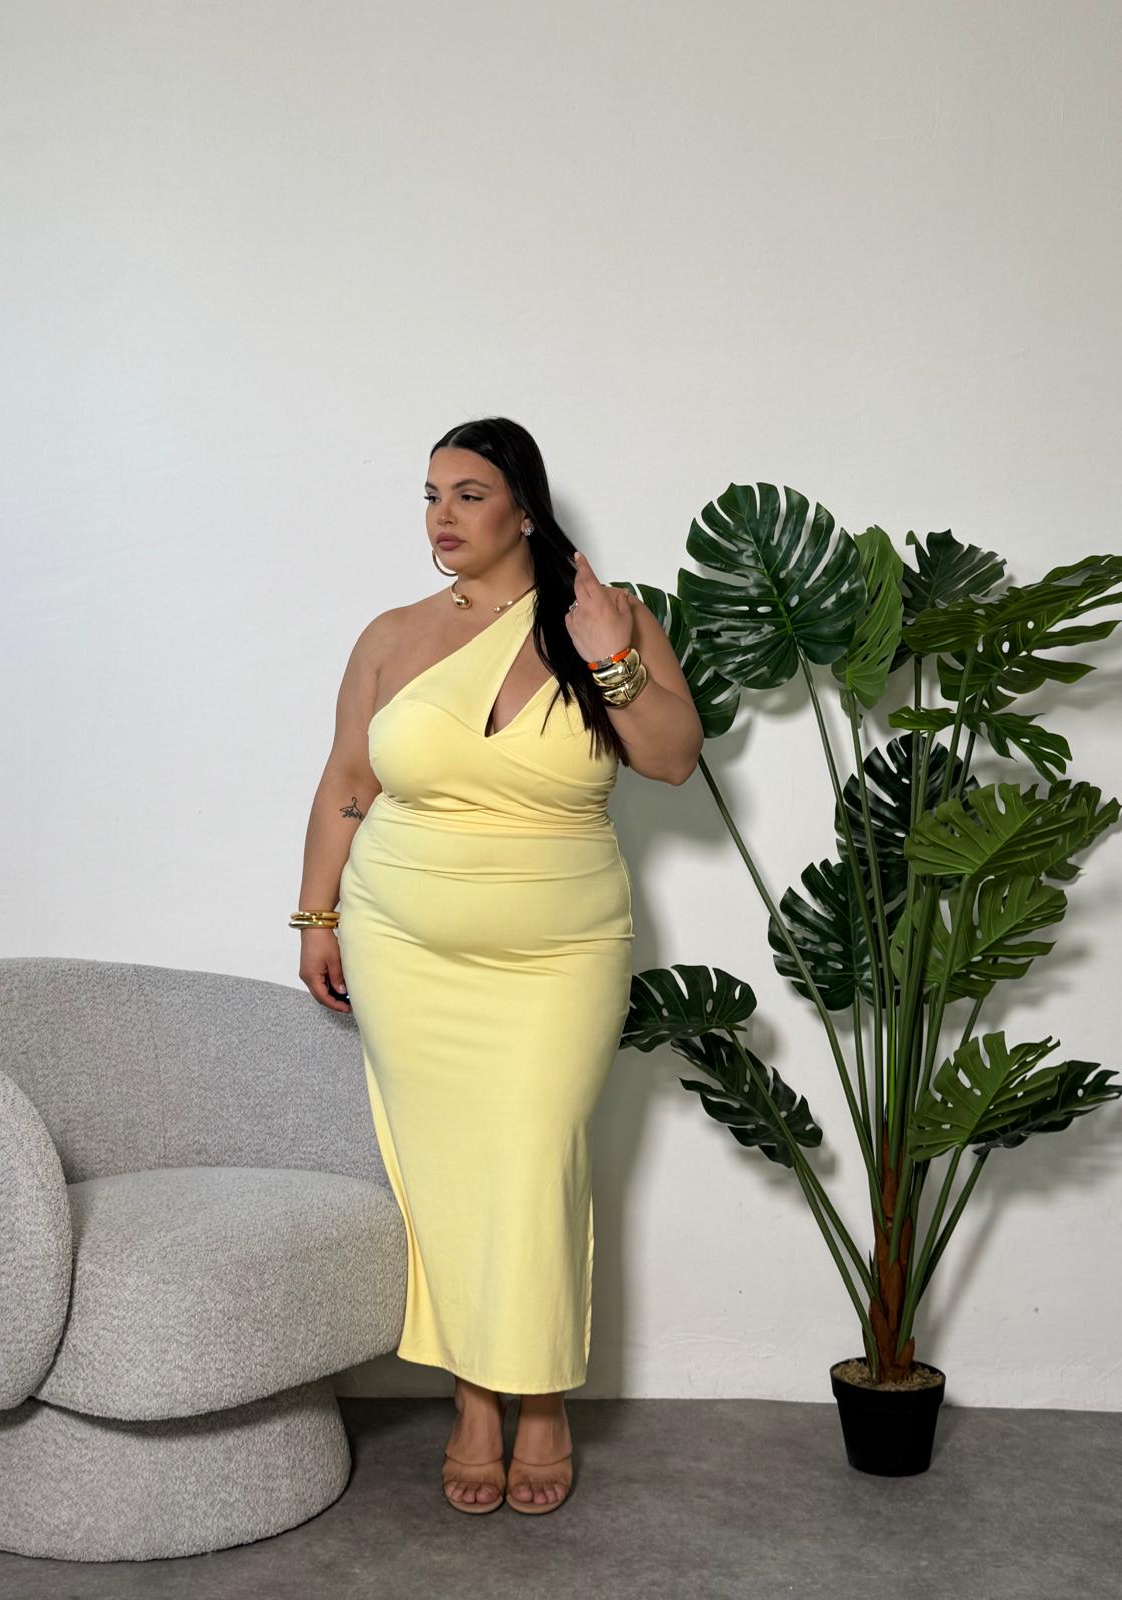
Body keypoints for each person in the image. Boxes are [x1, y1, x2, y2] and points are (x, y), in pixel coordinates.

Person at [294, 416, 702, 1515]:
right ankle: (477, 1402)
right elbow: (346, 782)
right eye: (430, 496)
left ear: (524, 507)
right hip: (405, 941)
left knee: (532, 1161)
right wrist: (317, 915)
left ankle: (544, 1397)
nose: (442, 517)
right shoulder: (393, 636)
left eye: (468, 494)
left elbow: (671, 761)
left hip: (558, 949)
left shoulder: (607, 617)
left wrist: (613, 655)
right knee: (445, 1174)